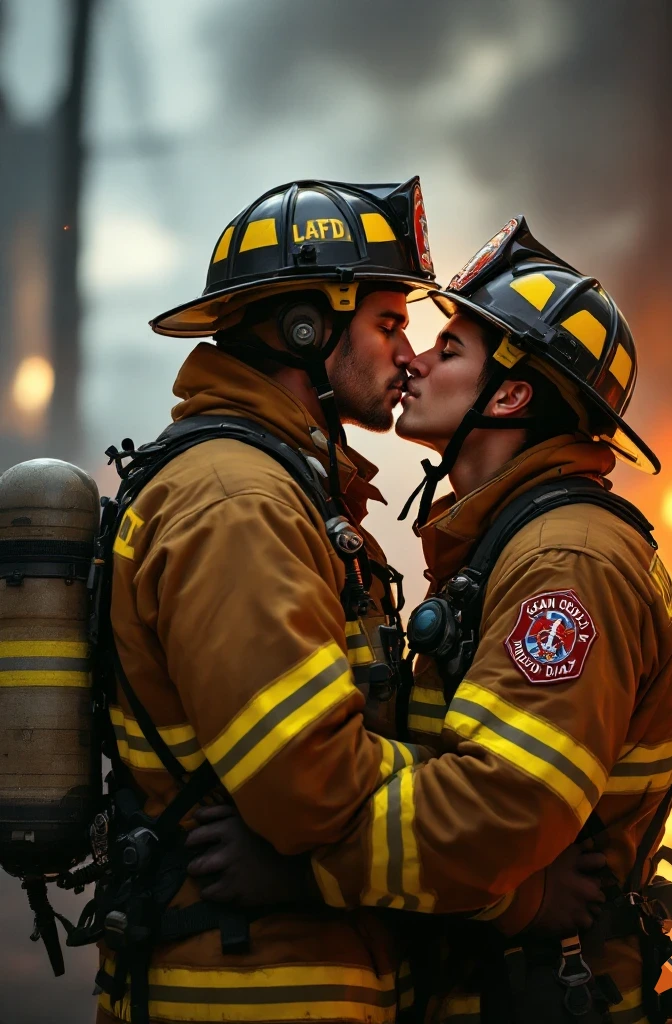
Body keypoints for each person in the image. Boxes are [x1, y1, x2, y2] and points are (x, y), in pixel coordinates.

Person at [94, 183, 604, 1024]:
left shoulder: (283, 490)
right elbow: (311, 786)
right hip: (253, 990)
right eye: (390, 325)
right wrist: (466, 790)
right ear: (307, 328)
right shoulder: (238, 503)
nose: (410, 358)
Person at [189, 217, 672, 1024]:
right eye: (400, 331)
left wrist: (305, 872)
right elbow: (442, 770)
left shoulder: (567, 564)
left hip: (553, 995)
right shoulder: (505, 548)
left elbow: (496, 808)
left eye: (448, 349)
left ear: (510, 395)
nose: (415, 358)